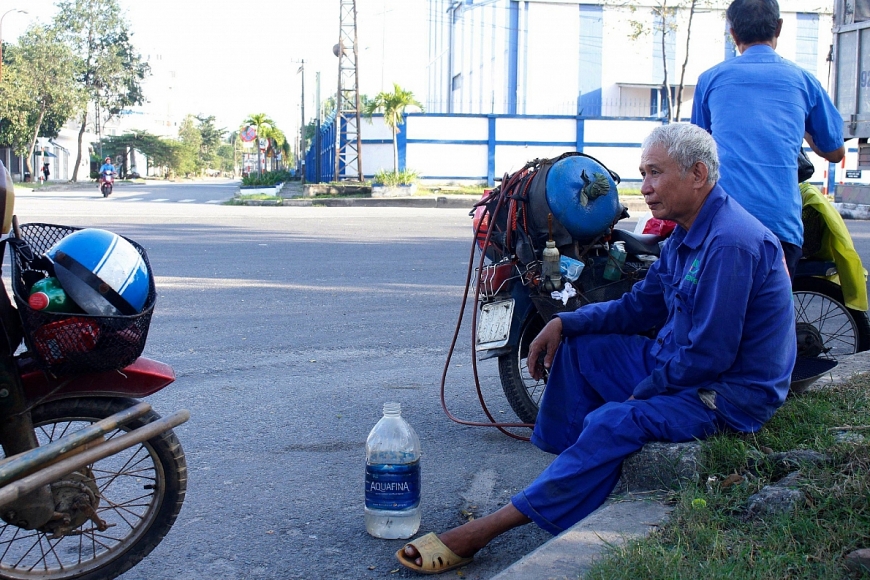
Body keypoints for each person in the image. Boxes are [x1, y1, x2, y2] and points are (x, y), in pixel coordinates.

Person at [396, 123, 796, 574]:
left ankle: (488, 528)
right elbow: (639, 307)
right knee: (580, 348)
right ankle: (569, 476)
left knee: (615, 420)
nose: (644, 188)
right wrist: (565, 322)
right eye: (642, 174)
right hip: (680, 364)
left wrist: (644, 392)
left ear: (698, 174)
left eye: (656, 173)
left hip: (725, 395)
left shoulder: (730, 243)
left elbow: (710, 356)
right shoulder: (687, 235)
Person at [690, 0, 845, 278]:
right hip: (781, 227)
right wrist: (802, 127)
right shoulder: (804, 81)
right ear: (779, 27)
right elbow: (835, 152)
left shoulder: (710, 80)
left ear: (733, 33)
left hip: (723, 222)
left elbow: (697, 152)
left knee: (718, 302)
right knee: (772, 304)